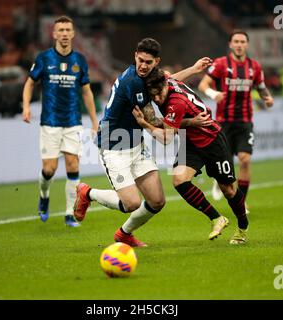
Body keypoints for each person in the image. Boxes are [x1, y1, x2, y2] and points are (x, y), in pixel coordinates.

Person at [73, 38, 212, 246]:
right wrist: (190, 122)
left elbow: (167, 82)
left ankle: (124, 234)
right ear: (135, 57)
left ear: (156, 62)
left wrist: (193, 69)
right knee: (131, 203)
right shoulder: (133, 83)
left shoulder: (148, 77)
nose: (143, 66)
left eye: (148, 62)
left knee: (157, 201)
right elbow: (153, 121)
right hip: (114, 146)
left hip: (136, 144)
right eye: (140, 60)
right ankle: (87, 193)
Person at [133, 67, 249, 244]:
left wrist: (144, 123)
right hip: (192, 142)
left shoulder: (175, 103)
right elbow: (173, 76)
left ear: (165, 86)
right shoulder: (165, 80)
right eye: (153, 95)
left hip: (212, 140)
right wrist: (194, 69)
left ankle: (242, 227)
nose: (156, 99)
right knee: (179, 180)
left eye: (158, 94)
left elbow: (167, 138)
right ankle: (217, 218)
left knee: (229, 190)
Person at [22, 15, 99, 227]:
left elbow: (87, 93)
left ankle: (69, 213)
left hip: (73, 122)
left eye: (68, 30)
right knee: (49, 169)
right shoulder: (44, 58)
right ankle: (44, 196)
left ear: (73, 34)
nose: (64, 34)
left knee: (73, 165)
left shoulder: (80, 61)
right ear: (54, 34)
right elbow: (29, 83)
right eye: (61, 30)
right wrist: (26, 107)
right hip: (50, 122)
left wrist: (93, 122)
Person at [198, 30, 274, 212]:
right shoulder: (221, 64)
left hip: (245, 121)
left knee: (245, 160)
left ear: (247, 45)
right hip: (224, 122)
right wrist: (213, 93)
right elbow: (203, 85)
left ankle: (242, 201)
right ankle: (220, 180)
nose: (239, 44)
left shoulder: (254, 67)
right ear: (231, 44)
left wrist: (267, 98)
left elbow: (261, 87)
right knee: (226, 163)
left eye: (242, 41)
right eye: (236, 41)